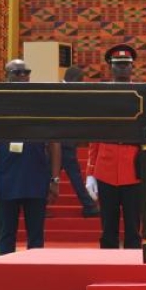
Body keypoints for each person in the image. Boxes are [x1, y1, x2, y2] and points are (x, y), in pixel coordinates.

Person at [0, 59, 62, 255]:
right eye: (17, 72)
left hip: (35, 176)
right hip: (6, 176)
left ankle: (35, 274)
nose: (23, 76)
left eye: (26, 72)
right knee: (6, 233)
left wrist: (55, 179)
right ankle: (4, 273)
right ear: (6, 75)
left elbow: (54, 143)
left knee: (36, 234)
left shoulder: (41, 103)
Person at [85, 45, 146, 249]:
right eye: (117, 65)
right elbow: (94, 135)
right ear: (110, 68)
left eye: (125, 65)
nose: (122, 69)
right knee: (108, 226)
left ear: (132, 68)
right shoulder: (101, 95)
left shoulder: (143, 94)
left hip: (132, 167)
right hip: (106, 168)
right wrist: (90, 173)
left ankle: (134, 266)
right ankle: (107, 264)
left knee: (133, 225)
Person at [58, 66, 100, 218]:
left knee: (52, 175)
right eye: (81, 81)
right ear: (75, 79)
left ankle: (88, 205)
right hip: (61, 142)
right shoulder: (59, 92)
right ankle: (88, 205)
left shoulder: (66, 91)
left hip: (66, 141)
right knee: (73, 174)